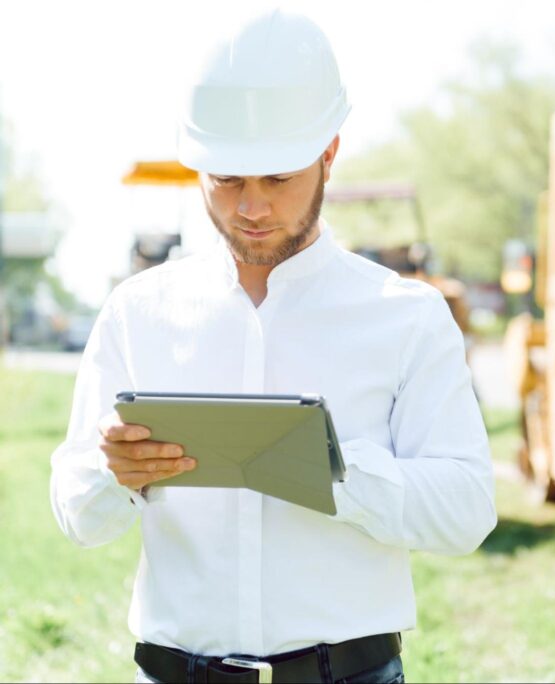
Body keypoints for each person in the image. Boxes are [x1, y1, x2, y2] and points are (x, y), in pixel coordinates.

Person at [49, 10, 496, 684]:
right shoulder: (136, 312)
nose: (252, 207)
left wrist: (330, 472)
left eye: (278, 179)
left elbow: (467, 513)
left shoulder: (407, 316)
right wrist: (117, 473)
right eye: (227, 180)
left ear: (329, 154)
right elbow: (76, 517)